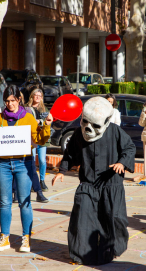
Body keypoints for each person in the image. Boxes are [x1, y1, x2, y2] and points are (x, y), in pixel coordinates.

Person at [52, 97, 136, 265]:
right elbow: (70, 153)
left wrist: (122, 163)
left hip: (111, 185)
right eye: (85, 122)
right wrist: (62, 170)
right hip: (88, 185)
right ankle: (81, 255)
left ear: (105, 123)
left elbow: (129, 148)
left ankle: (108, 252)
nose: (88, 129)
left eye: (95, 125)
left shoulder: (115, 131)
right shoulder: (78, 134)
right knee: (82, 218)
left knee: (113, 219)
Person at [0, 84, 52, 253]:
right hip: (4, 164)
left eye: (12, 101)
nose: (10, 104)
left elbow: (40, 140)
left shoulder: (28, 117)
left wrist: (47, 126)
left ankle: (26, 239)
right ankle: (4, 238)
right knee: (5, 203)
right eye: (7, 101)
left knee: (25, 203)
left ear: (19, 100)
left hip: (24, 163)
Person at [25, 89, 50, 201]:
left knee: (42, 160)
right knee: (32, 161)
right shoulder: (26, 108)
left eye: (40, 95)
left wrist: (42, 121)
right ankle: (31, 182)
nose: (38, 97)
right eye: (36, 95)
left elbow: (49, 121)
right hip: (31, 138)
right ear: (32, 96)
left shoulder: (45, 109)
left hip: (42, 138)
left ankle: (42, 180)